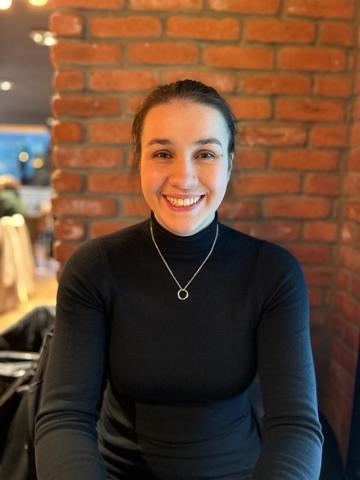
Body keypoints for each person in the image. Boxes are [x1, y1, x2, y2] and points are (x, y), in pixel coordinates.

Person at [34, 79, 323, 479]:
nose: (183, 177)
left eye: (205, 153)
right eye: (163, 153)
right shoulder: (96, 267)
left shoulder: (272, 273)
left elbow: (296, 425)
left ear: (229, 163)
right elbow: (64, 418)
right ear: (140, 160)